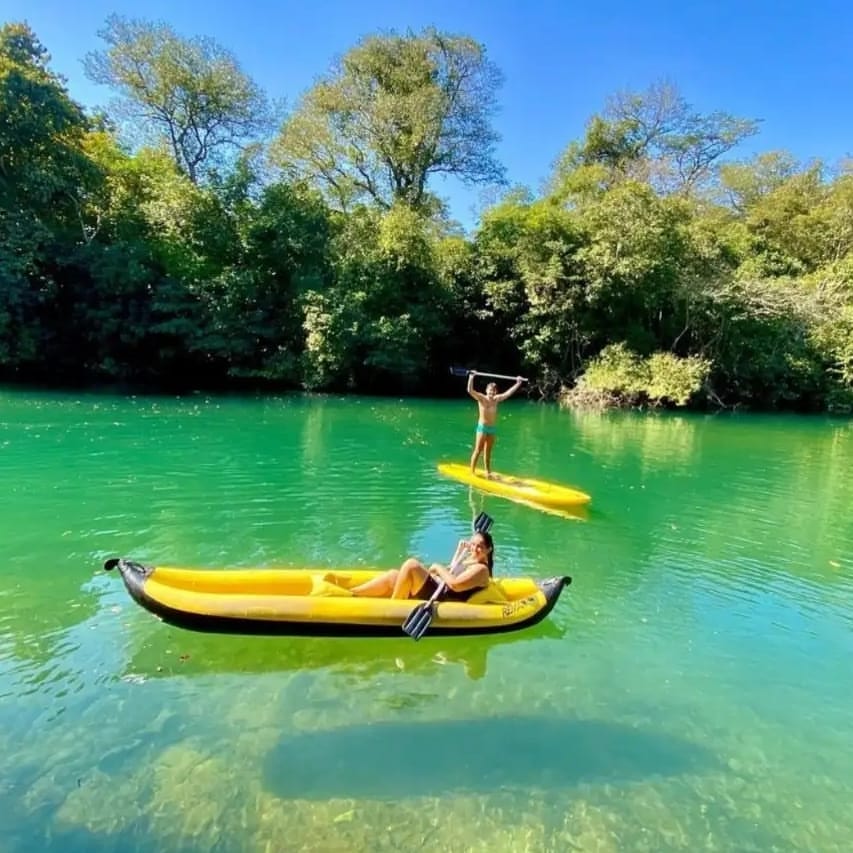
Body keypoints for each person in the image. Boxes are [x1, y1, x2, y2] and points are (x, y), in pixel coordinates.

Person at [350, 531, 494, 601]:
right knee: (394, 575)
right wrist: (458, 551)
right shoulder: (471, 560)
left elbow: (455, 585)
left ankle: (393, 607)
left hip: (444, 596)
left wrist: (437, 567)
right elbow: (452, 570)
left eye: (480, 546)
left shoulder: (481, 569)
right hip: (440, 588)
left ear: (489, 549)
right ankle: (352, 594)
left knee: (411, 565)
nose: (474, 549)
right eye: (473, 544)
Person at [467, 371, 525, 478]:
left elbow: (508, 393)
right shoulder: (481, 398)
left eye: (493, 391)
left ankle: (488, 472)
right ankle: (472, 472)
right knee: (478, 450)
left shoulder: (496, 399)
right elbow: (470, 390)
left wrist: (518, 383)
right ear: (486, 391)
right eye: (490, 391)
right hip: (482, 428)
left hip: (492, 429)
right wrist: (471, 377)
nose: (492, 393)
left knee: (488, 452)